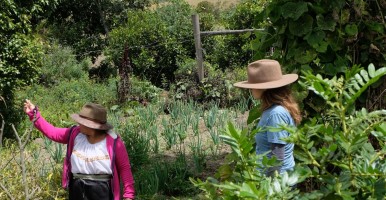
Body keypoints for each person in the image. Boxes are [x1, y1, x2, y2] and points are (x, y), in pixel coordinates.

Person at [24, 100, 135, 200]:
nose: (79, 124)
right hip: (77, 188)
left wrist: (128, 195)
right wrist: (34, 115)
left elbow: (124, 168)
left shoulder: (113, 141)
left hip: (102, 191)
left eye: (82, 122)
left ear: (92, 126)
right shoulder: (75, 134)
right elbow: (52, 132)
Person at [234, 59, 301, 176]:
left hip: (278, 183)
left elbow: (277, 157)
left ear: (264, 88)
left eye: (253, 86)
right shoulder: (275, 109)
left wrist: (270, 188)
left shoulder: (276, 114)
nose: (250, 89)